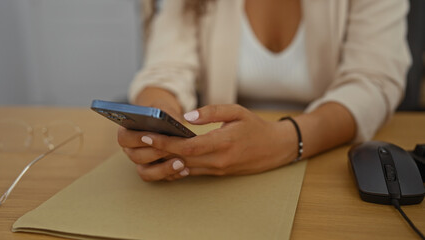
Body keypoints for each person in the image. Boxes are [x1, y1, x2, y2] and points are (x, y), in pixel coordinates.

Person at [117, 0, 411, 182]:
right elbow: (164, 69)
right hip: (221, 161)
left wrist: (285, 140)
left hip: (328, 156)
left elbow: (374, 80)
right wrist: (159, 120)